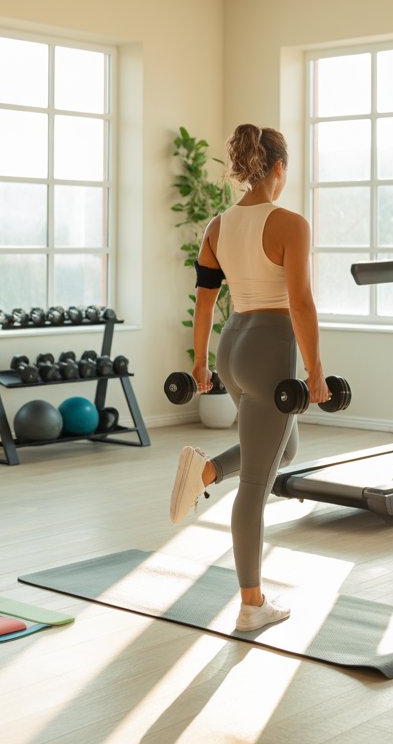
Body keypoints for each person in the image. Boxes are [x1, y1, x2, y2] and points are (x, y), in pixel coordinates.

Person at [169, 123, 330, 632]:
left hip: (232, 344)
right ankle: (251, 604)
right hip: (270, 346)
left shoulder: (217, 226)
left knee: (281, 450)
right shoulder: (291, 223)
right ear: (278, 168)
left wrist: (200, 364)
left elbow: (204, 300)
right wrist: (317, 372)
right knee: (258, 484)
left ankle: (207, 472)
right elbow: (301, 302)